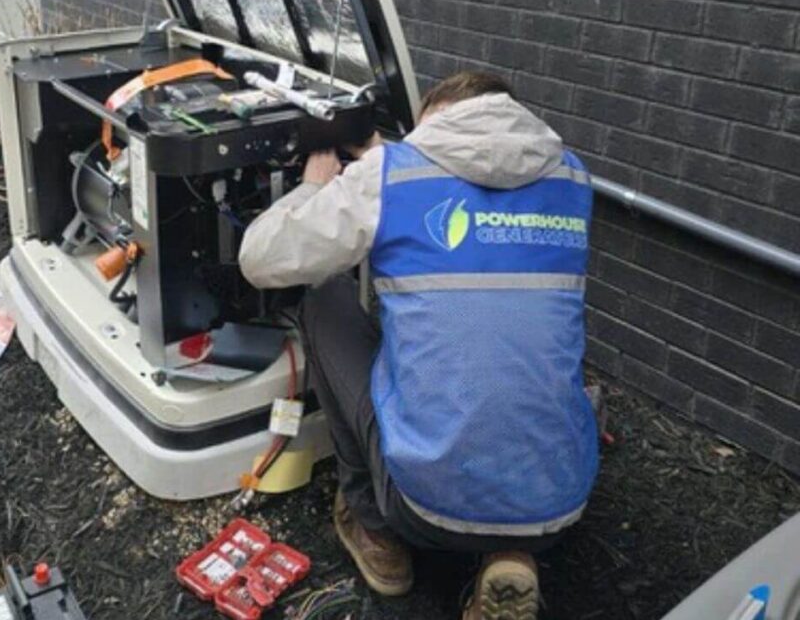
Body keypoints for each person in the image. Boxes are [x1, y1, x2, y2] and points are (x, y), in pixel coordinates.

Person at [239, 71, 599, 620]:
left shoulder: (392, 175)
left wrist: (317, 186)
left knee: (323, 300)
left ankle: (376, 530)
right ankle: (511, 550)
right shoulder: (572, 179)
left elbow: (260, 259)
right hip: (560, 502)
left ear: (436, 116)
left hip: (422, 507)